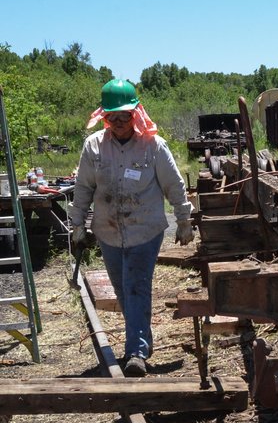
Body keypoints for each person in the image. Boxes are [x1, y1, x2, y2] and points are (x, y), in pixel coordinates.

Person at [69, 79, 194, 377]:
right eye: (113, 117)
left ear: (135, 114)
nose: (120, 123)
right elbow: (83, 189)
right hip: (108, 231)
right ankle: (142, 339)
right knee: (123, 291)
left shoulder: (153, 146)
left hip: (144, 230)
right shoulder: (94, 146)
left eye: (125, 116)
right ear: (104, 116)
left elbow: (174, 186)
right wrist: (76, 226)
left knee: (136, 285)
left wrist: (184, 219)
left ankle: (136, 352)